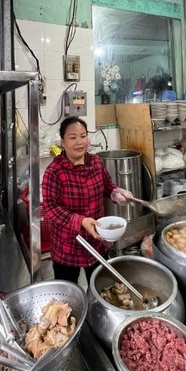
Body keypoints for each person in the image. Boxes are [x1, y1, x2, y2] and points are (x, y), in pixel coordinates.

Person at [42, 117, 134, 284]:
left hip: (97, 241)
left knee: (101, 288)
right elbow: (50, 208)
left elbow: (108, 186)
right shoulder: (54, 171)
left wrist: (116, 193)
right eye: (72, 137)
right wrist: (81, 221)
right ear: (62, 141)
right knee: (68, 296)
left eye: (83, 136)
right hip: (67, 247)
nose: (79, 142)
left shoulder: (96, 162)